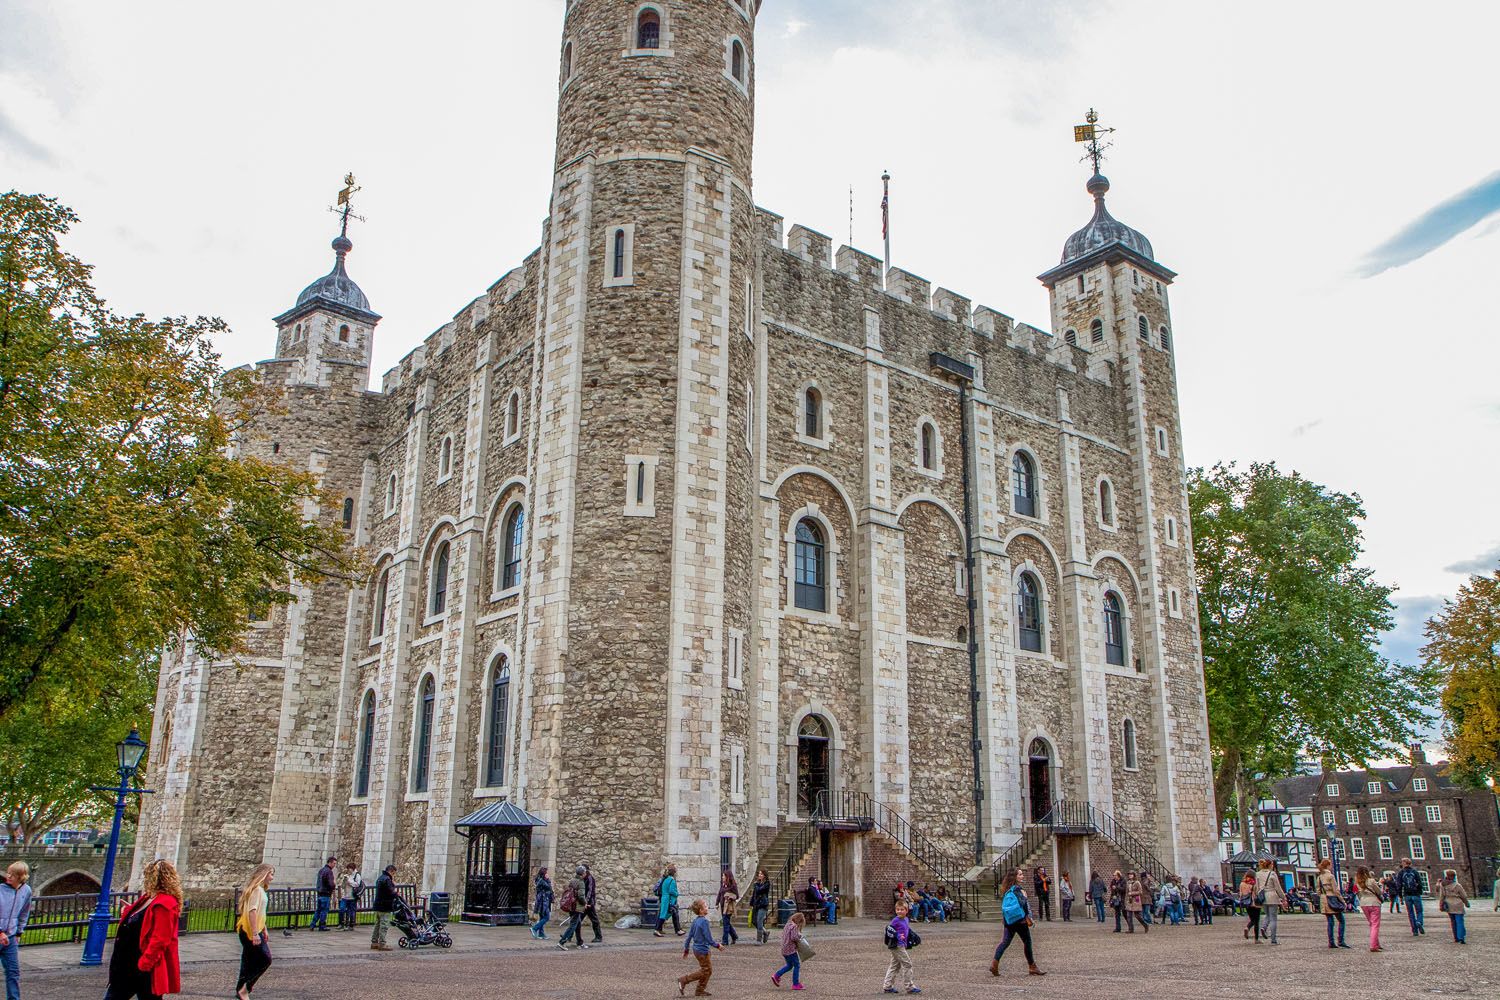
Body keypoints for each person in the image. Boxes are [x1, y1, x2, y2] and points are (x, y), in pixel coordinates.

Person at [106, 858, 182, 1000]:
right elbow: (143, 919)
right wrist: (128, 911)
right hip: (125, 964)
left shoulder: (165, 903)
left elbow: (160, 939)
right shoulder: (148, 898)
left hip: (143, 968)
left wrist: (144, 964)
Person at [989, 870, 1044, 977]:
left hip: (1009, 921)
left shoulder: (1007, 889)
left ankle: (994, 964)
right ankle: (1032, 967)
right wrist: (1029, 918)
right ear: (1015, 877)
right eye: (1020, 874)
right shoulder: (1018, 890)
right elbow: (1023, 905)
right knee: (1027, 941)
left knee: (1005, 942)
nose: (1022, 876)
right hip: (1020, 920)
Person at [235, 864, 274, 1000]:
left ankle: (240, 989)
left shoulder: (260, 890)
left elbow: (260, 912)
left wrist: (264, 928)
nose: (272, 878)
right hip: (249, 931)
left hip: (253, 930)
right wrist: (255, 933)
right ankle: (246, 988)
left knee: (248, 960)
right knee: (265, 959)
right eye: (271, 874)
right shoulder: (256, 890)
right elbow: (252, 912)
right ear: (264, 874)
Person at [0, 862, 34, 1000]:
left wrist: (19, 932)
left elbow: (24, 913)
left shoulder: (26, 891)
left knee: (13, 972)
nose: (8, 876)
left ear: (21, 877)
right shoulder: (1, 889)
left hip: (11, 938)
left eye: (12, 875)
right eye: (8, 873)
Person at [678, 899, 723, 997]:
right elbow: (709, 938)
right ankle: (684, 980)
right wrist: (718, 945)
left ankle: (700, 990)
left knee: (708, 970)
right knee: (706, 970)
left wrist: (686, 949)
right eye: (705, 906)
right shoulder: (704, 922)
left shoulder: (695, 921)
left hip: (697, 950)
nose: (707, 907)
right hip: (702, 951)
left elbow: (689, 936)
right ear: (701, 910)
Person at [882, 899, 920, 995]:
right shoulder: (895, 920)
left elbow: (906, 929)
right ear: (895, 910)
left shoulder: (906, 919)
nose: (899, 911)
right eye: (898, 909)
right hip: (897, 945)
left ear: (906, 910)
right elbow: (889, 930)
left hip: (902, 944)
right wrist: (898, 936)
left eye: (902, 909)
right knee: (907, 964)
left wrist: (912, 935)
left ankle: (888, 986)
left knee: (895, 965)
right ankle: (909, 987)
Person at [1314, 859, 1349, 949]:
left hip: (1323, 899)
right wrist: (1342, 901)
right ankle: (1341, 940)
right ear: (1328, 865)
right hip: (1332, 898)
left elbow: (1317, 891)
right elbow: (1336, 890)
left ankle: (1331, 942)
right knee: (1341, 920)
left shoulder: (1319, 877)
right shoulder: (1330, 876)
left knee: (1330, 922)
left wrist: (1322, 896)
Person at [558, 865, 591, 950]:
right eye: (585, 873)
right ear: (582, 873)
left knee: (578, 924)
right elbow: (580, 896)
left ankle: (580, 942)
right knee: (573, 925)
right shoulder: (581, 882)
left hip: (571, 905)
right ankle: (562, 941)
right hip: (577, 906)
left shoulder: (572, 880)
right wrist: (585, 903)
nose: (585, 874)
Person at [1253, 859, 1284, 945]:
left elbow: (1256, 887)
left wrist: (1257, 896)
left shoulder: (1257, 874)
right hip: (1272, 896)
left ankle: (1263, 927)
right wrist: (1283, 897)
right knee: (1273, 918)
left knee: (1267, 915)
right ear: (1270, 865)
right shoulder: (1272, 874)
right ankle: (1273, 939)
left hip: (1263, 897)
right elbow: (1278, 887)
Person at [772, 910, 806, 990]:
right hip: (791, 950)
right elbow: (794, 937)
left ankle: (776, 975)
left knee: (790, 965)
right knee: (797, 965)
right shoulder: (794, 927)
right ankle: (795, 983)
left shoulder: (788, 925)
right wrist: (800, 936)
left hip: (784, 949)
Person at [1354, 866, 1384, 952]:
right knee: (1375, 924)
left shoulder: (1357, 883)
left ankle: (1376, 943)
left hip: (1364, 903)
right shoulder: (1371, 881)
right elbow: (1379, 892)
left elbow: (1358, 894)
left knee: (1372, 924)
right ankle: (1373, 945)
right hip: (1374, 902)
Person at [370, 863, 398, 952]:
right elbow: (391, 892)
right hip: (385, 905)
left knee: (377, 924)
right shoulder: (387, 879)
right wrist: (395, 887)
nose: (393, 876)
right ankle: (382, 943)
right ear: (391, 871)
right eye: (393, 874)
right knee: (384, 925)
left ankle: (374, 942)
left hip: (378, 905)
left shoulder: (380, 878)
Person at [1438, 870, 1468, 944]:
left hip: (1448, 904)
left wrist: (1441, 904)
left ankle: (1456, 938)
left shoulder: (1443, 885)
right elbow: (1463, 896)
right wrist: (1467, 903)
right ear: (1454, 876)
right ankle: (1461, 937)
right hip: (1458, 904)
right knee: (1460, 921)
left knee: (1453, 922)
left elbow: (1441, 896)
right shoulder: (1458, 885)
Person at [1396, 858, 1425, 935]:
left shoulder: (1401, 873)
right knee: (1419, 911)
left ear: (1404, 863)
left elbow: (1399, 885)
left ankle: (1414, 930)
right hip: (1416, 894)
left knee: (1410, 913)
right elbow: (1420, 883)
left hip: (1407, 895)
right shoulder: (1414, 871)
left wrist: (1400, 896)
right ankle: (1419, 922)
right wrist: (1419, 892)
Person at [655, 865, 682, 937]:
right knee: (664, 915)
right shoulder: (672, 880)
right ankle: (657, 930)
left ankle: (678, 930)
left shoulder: (665, 879)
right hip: (668, 899)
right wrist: (677, 894)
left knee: (664, 913)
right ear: (674, 873)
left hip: (664, 898)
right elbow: (672, 891)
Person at [310, 855, 335, 932]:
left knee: (318, 910)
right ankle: (322, 925)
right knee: (324, 910)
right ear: (330, 863)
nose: (334, 865)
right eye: (334, 863)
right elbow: (331, 884)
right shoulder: (329, 871)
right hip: (326, 893)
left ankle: (312, 924)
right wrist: (334, 886)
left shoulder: (321, 870)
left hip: (320, 893)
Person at [580, 862, 604, 944]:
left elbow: (590, 891)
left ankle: (598, 936)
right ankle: (569, 936)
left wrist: (586, 902)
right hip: (584, 903)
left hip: (589, 904)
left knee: (594, 920)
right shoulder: (582, 878)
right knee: (577, 919)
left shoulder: (590, 878)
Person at [716, 868, 740, 945]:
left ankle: (725, 941)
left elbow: (737, 896)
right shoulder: (723, 884)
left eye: (723, 876)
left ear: (727, 876)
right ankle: (734, 936)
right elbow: (719, 894)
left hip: (728, 907)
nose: (722, 877)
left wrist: (730, 897)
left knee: (725, 924)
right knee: (726, 923)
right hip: (723, 907)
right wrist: (717, 903)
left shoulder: (733, 885)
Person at [749, 869, 772, 945]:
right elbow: (754, 894)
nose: (759, 875)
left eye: (761, 874)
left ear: (764, 876)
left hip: (763, 904)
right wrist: (751, 903)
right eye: (759, 874)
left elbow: (760, 890)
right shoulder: (757, 883)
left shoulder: (767, 883)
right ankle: (765, 932)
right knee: (754, 921)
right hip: (756, 904)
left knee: (759, 921)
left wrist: (756, 885)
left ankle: (759, 940)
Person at [1239, 870, 1262, 942]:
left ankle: (1247, 927)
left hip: (1246, 903)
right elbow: (1257, 893)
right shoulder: (1254, 883)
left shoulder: (1242, 883)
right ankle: (1256, 939)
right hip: (1254, 903)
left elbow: (1240, 894)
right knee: (1257, 921)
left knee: (1252, 919)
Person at [336, 865, 361, 930]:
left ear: (352, 869)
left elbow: (358, 884)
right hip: (345, 896)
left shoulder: (357, 875)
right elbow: (343, 886)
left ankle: (351, 925)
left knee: (352, 911)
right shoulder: (347, 875)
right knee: (341, 909)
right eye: (348, 869)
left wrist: (349, 882)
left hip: (352, 896)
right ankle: (341, 923)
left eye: (349, 869)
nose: (348, 870)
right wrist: (344, 881)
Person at [532, 867, 553, 939]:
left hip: (543, 900)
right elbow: (549, 888)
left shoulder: (540, 880)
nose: (548, 874)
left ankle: (541, 934)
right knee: (546, 917)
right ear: (544, 874)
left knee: (542, 917)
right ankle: (534, 928)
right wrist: (547, 879)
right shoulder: (542, 881)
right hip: (543, 901)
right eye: (546, 873)